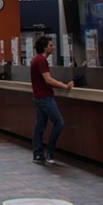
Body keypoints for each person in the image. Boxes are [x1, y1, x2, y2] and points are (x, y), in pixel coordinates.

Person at [30, 36, 73, 164]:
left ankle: (38, 153)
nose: (53, 47)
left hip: (39, 96)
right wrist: (64, 86)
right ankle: (50, 151)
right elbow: (48, 79)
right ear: (44, 47)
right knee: (59, 122)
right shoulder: (41, 60)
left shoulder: (35, 60)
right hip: (45, 97)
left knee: (40, 126)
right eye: (50, 45)